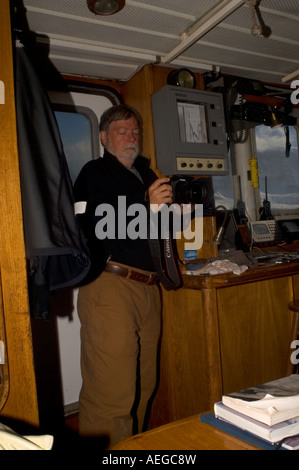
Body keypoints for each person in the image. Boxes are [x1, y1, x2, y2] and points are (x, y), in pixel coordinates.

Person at [74, 104, 173, 448]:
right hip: (111, 287)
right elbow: (97, 228)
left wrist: (176, 214)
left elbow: (158, 231)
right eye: (121, 131)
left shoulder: (147, 175)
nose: (131, 137)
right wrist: (149, 207)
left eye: (135, 132)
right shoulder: (95, 173)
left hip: (148, 287)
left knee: (143, 388)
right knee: (110, 395)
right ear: (103, 137)